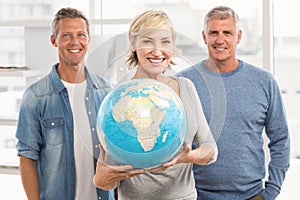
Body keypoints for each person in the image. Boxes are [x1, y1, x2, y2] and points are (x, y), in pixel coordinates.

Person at [93, 10, 218, 200]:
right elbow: (111, 178)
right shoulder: (119, 99)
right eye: (147, 41)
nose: (157, 51)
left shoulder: (186, 87)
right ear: (133, 43)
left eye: (165, 42)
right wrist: (101, 180)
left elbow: (210, 149)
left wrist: (187, 157)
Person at [177, 6, 290, 200]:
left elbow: (281, 141)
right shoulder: (184, 83)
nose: (220, 40)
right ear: (204, 37)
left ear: (238, 36)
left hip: (252, 195)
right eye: (214, 33)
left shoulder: (264, 82)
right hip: (196, 195)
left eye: (227, 33)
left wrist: (271, 192)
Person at [15, 7, 114, 200]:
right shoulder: (35, 96)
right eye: (66, 35)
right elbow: (27, 159)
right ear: (54, 40)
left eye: (81, 35)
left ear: (88, 39)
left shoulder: (106, 92)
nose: (75, 42)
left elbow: (115, 153)